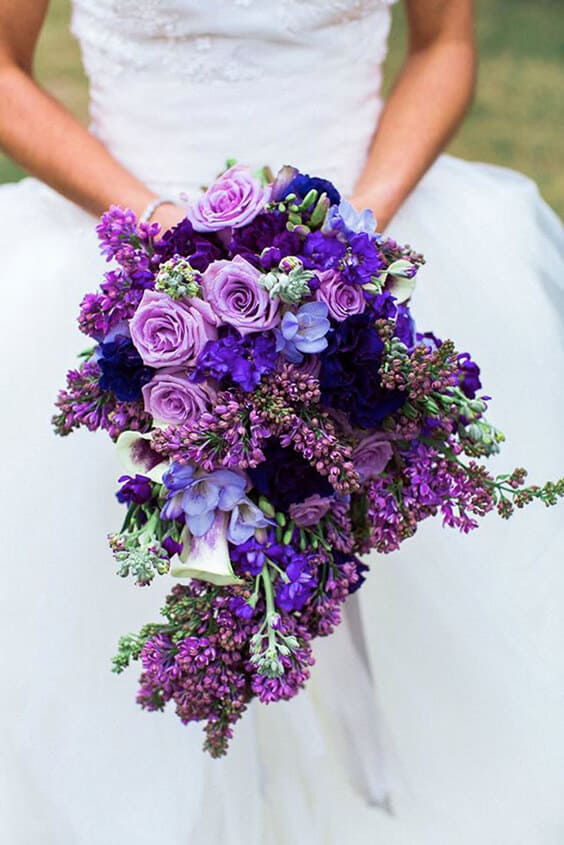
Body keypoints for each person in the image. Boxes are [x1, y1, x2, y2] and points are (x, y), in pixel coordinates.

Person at [0, 1, 563, 842]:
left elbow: (445, 45)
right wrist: (164, 236)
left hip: (369, 243)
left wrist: (350, 253)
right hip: (130, 259)